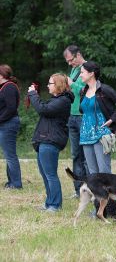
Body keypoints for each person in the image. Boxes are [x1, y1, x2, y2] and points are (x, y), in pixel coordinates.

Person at [28, 73, 74, 212]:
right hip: (45, 140)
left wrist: (33, 94)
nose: (48, 86)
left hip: (50, 141)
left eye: (50, 83)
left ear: (58, 85)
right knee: (45, 174)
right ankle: (49, 203)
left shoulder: (63, 101)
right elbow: (44, 109)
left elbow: (43, 110)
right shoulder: (56, 99)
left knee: (50, 174)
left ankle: (55, 205)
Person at [79, 61, 116, 174]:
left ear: (91, 73)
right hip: (85, 135)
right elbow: (83, 110)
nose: (80, 75)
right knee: (92, 172)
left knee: (104, 172)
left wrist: (112, 120)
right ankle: (96, 193)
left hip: (101, 135)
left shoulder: (104, 89)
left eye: (82, 72)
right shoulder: (83, 91)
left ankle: (108, 192)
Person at [64, 45, 88, 198]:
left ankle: (90, 188)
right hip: (71, 115)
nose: (69, 63)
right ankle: (78, 190)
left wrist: (71, 84)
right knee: (75, 155)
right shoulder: (74, 69)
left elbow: (83, 89)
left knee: (86, 156)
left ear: (78, 54)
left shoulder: (87, 68)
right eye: (67, 61)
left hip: (82, 116)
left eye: (71, 60)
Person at [0, 64, 22, 189]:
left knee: (10, 155)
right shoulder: (4, 87)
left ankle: (16, 183)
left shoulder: (9, 87)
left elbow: (11, 109)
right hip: (5, 123)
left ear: (2, 75)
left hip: (8, 124)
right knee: (8, 154)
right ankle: (11, 182)